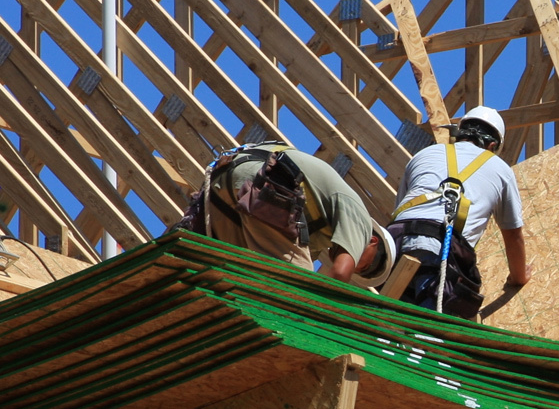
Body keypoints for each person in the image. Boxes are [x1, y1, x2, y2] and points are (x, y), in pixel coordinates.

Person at [176, 141, 394, 285]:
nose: (354, 266)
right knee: (295, 288)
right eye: (363, 264)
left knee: (235, 278)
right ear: (373, 242)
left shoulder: (315, 236)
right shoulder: (359, 218)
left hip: (225, 192)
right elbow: (339, 274)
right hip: (266, 187)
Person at [388, 106, 530, 318]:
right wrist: (518, 278)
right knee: (429, 326)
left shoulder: (423, 155)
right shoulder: (500, 170)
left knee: (389, 317)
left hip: (393, 241)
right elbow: (513, 236)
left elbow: (403, 213)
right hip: (438, 246)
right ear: (492, 146)